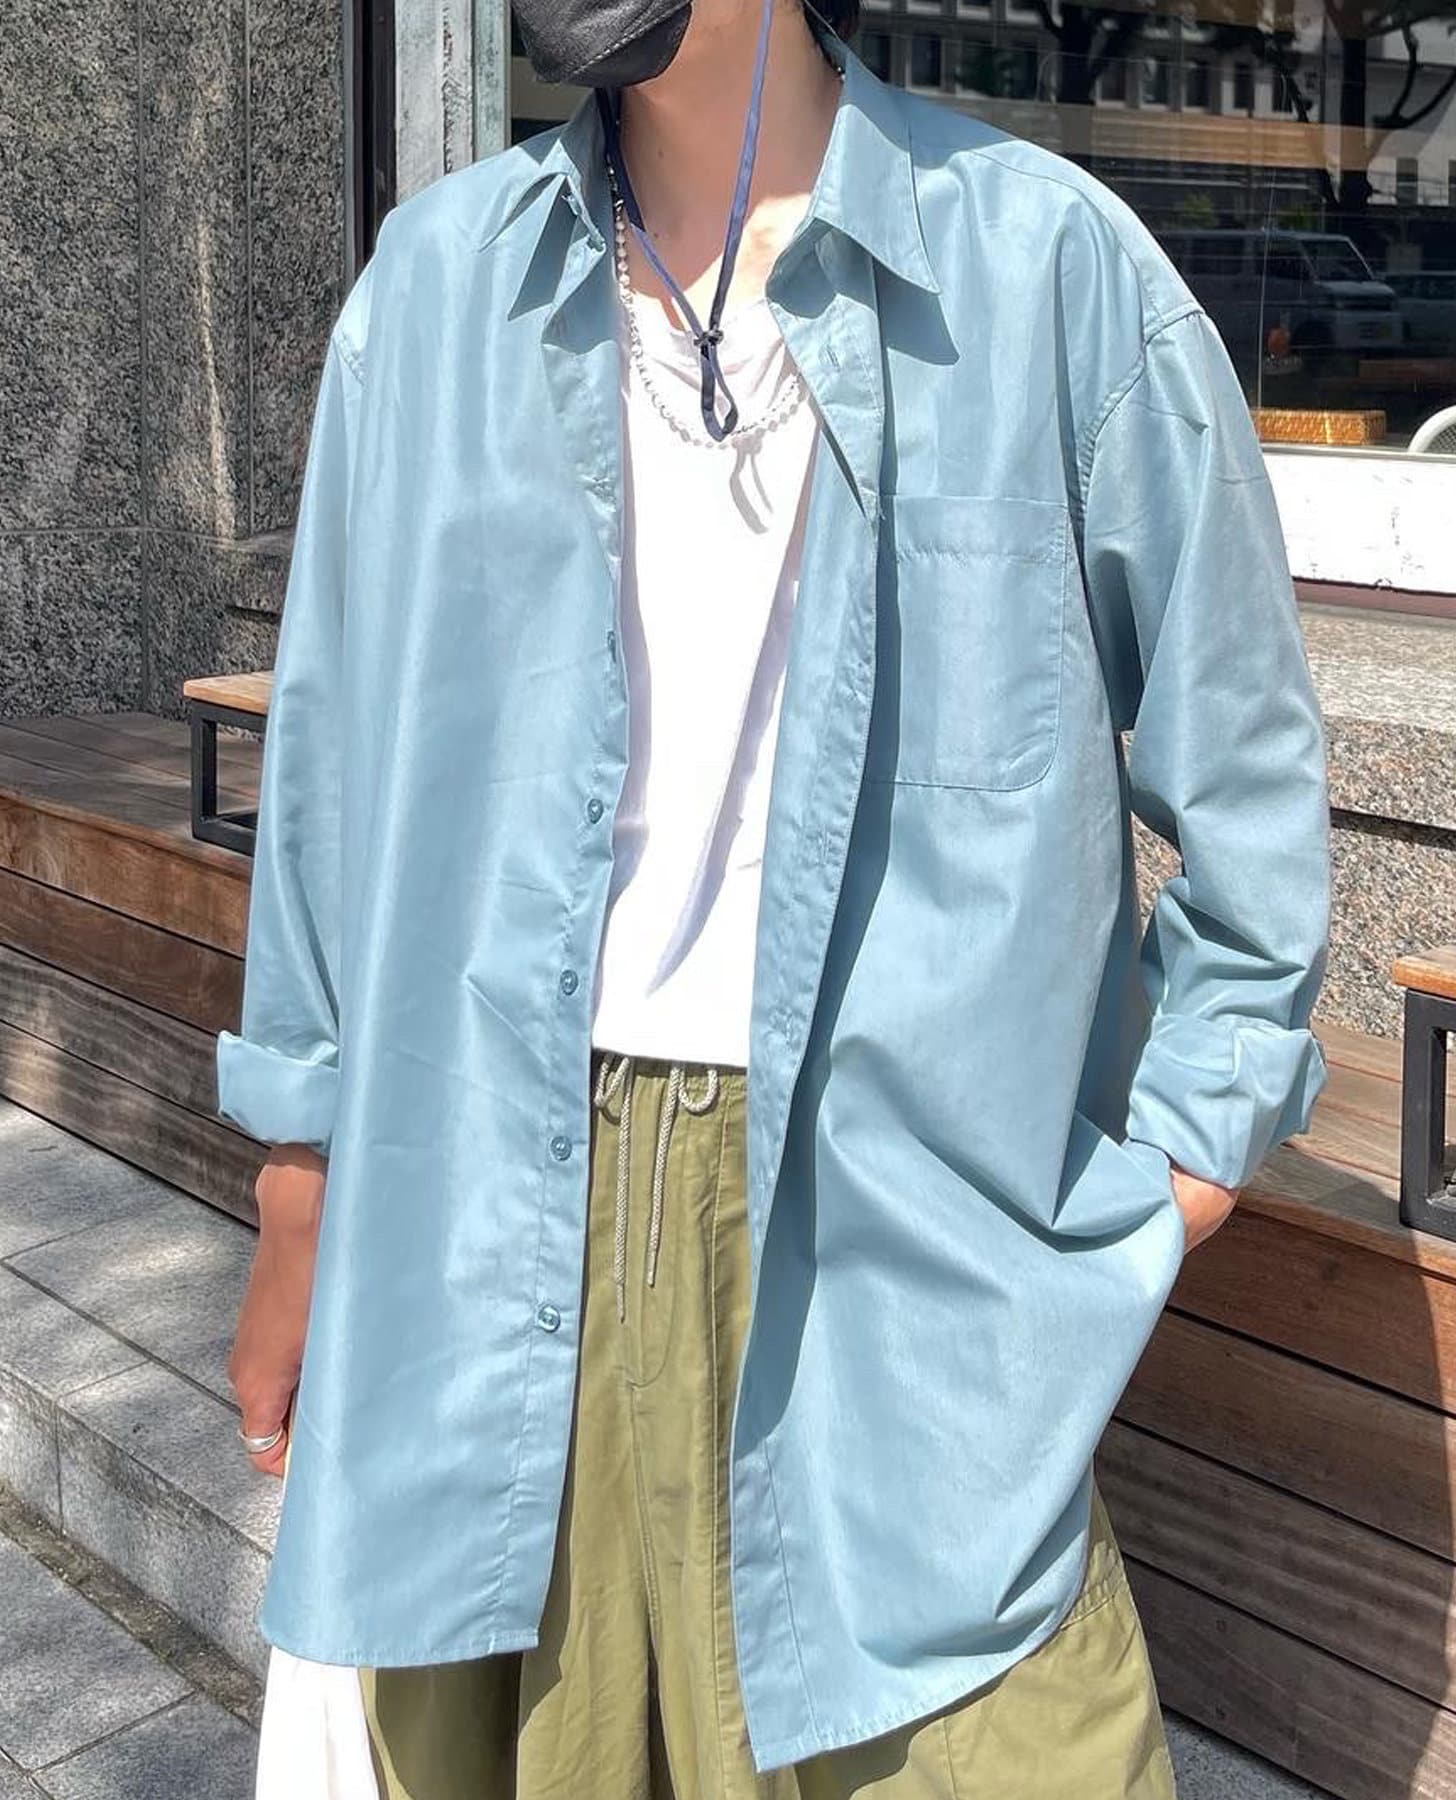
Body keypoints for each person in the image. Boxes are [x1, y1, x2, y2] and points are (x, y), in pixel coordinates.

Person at [220, 1, 1333, 1795]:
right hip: (490, 1206)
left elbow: (1247, 774)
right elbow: (333, 778)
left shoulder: (1046, 271)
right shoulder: (435, 294)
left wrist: (1182, 1161)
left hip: (901, 1231)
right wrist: (297, 1190)